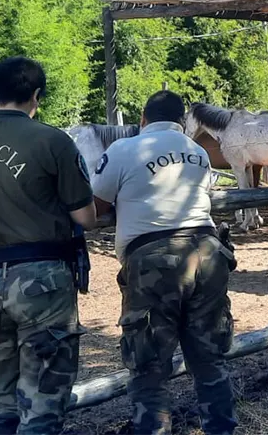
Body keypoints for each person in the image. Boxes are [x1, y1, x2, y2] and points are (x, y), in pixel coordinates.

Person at [0, 56, 97, 435]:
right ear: (36, 97)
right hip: (43, 281)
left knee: (1, 397)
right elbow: (86, 217)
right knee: (43, 396)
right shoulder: (53, 141)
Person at [91, 90, 237, 435]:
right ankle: (221, 428)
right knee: (209, 360)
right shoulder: (198, 151)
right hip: (207, 251)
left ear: (143, 118)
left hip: (154, 259)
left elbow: (95, 206)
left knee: (149, 366)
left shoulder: (123, 150)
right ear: (182, 121)